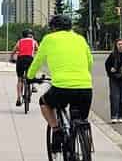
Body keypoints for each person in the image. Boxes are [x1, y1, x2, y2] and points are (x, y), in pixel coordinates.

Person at [28, 14, 94, 145]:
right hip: (85, 88)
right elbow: (90, 62)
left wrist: (30, 77)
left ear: (53, 28)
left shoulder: (49, 39)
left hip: (62, 88)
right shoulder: (80, 39)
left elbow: (37, 61)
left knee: (44, 102)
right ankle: (82, 149)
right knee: (80, 120)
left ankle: (56, 129)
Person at [11, 29, 38, 106]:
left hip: (20, 60)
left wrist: (11, 58)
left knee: (20, 79)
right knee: (32, 72)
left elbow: (14, 50)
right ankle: (33, 86)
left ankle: (18, 98)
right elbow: (38, 50)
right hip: (30, 59)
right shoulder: (34, 41)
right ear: (31, 35)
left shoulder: (20, 41)